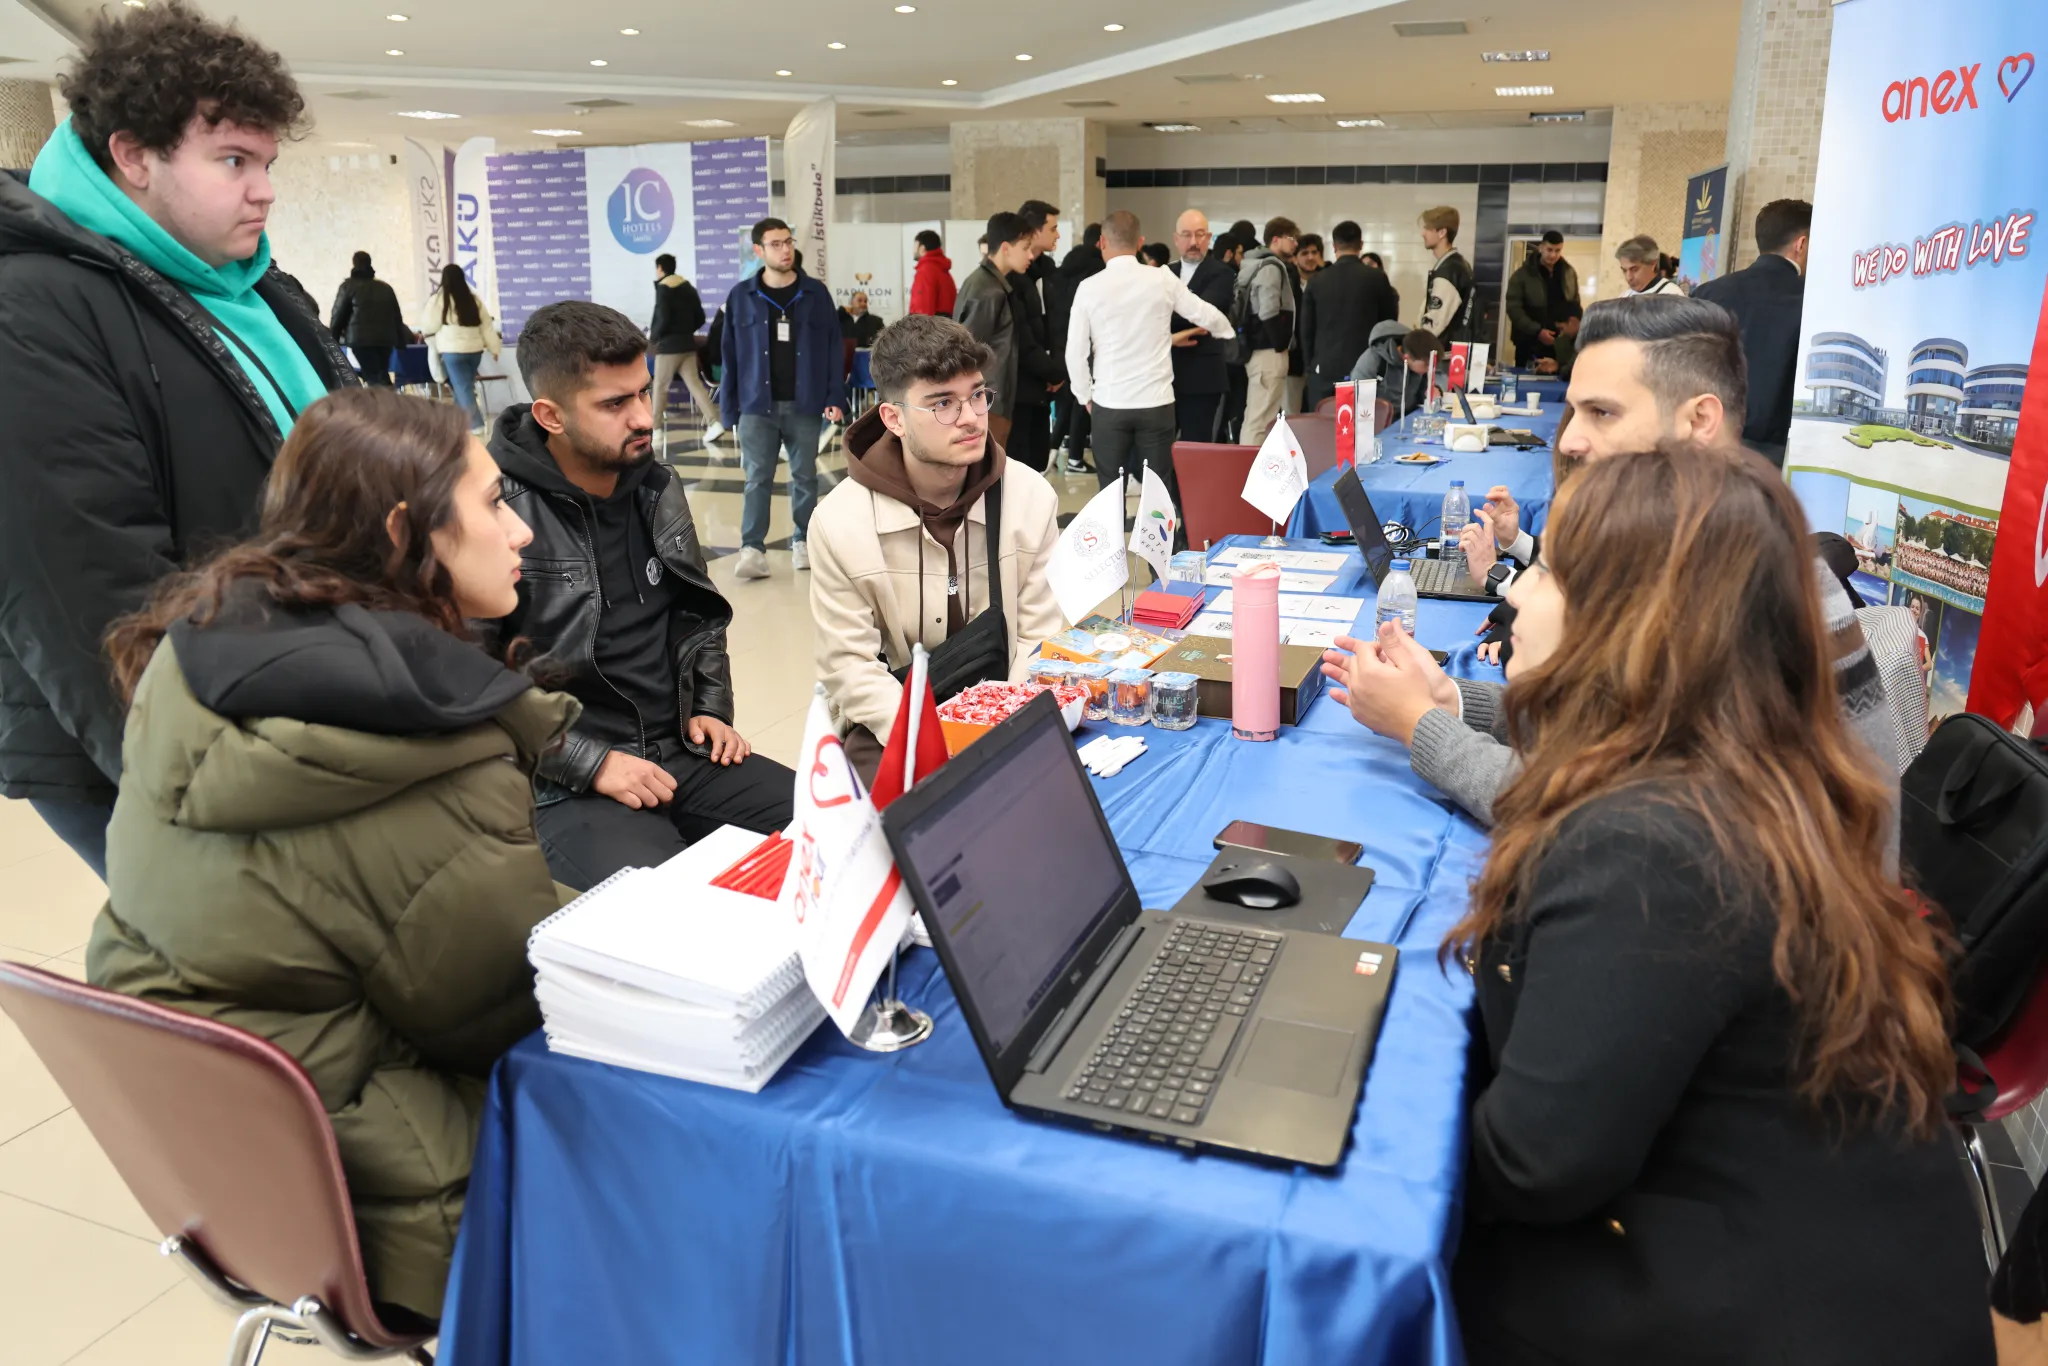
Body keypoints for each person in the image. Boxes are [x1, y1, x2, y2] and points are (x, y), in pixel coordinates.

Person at [1353, 441, 1990, 1363]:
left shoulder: (1648, 845)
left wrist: (1374, 1094)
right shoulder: (1741, 773)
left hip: (1738, 1312)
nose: (1519, 596)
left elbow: (1534, 1165)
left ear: (1637, 623)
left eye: (1553, 576)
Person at [89, 387, 572, 1320]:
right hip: (400, 1198)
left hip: (228, 1162)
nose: (521, 534)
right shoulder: (418, 746)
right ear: (405, 531)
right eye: (494, 504)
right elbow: (512, 1012)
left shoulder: (199, 654)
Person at [0, 0, 355, 878]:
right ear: (131, 155)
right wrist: (206, 795)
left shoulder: (260, 292)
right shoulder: (33, 309)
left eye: (266, 162)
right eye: (232, 159)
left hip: (295, 692)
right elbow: (85, 590)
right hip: (165, 743)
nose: (263, 188)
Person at [1341, 295, 1906, 824]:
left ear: (1699, 422)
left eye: (1602, 413)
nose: (1569, 441)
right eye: (1575, 412)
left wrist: (1420, 724)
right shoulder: (1693, 539)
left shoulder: (1741, 582)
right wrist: (1451, 697)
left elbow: (1584, 806)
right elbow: (1598, 729)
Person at [488, 301, 794, 888]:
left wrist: (709, 707)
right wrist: (589, 762)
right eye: (614, 403)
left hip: (680, 748)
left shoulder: (656, 483)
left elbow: (696, 612)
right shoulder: (495, 507)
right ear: (550, 415)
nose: (644, 417)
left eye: (642, 392)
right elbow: (468, 681)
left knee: (844, 833)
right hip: (567, 779)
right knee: (668, 917)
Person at [811, 316, 1064, 781]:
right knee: (893, 831)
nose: (969, 418)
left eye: (977, 396)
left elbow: (1039, 638)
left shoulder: (1029, 497)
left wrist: (1002, 726)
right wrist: (933, 738)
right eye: (942, 403)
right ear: (894, 419)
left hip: (1005, 707)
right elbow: (849, 666)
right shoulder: (840, 522)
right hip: (895, 717)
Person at [1065, 209, 1233, 512]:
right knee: (1159, 490)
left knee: (1109, 492)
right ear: (1140, 242)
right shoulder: (1162, 279)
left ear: (1102, 242)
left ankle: (1112, 556)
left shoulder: (1089, 287)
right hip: (1156, 404)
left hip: (1110, 403)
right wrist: (1227, 332)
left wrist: (1084, 396)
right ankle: (1161, 559)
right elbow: (1205, 313)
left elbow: (1074, 352)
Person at [719, 217, 847, 580]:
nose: (785, 249)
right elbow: (730, 356)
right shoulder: (741, 296)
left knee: (805, 476)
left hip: (805, 403)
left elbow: (833, 349)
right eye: (776, 244)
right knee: (757, 477)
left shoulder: (815, 293)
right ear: (758, 250)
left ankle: (803, 540)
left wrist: (835, 395)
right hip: (756, 404)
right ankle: (752, 549)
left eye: (788, 242)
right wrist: (728, 409)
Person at [1694, 199, 1811, 467]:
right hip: (1774, 455)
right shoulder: (1811, 297)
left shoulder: (1708, 292)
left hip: (1708, 442)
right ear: (1801, 244)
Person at [1301, 219, 1402, 411]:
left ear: (1334, 246)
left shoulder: (1317, 281)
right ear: (1361, 245)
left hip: (1325, 368)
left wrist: (1310, 366)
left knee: (1323, 424)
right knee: (1360, 426)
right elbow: (1389, 324)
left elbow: (1306, 329)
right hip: (1366, 367)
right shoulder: (1377, 278)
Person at [954, 210, 1033, 449]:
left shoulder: (986, 283)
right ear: (1006, 248)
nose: (1031, 255)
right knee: (986, 473)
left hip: (988, 400)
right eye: (1026, 247)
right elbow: (966, 353)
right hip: (987, 403)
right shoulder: (989, 292)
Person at [1007, 198, 1071, 474]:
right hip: (1018, 387)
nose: (1058, 234)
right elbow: (1020, 337)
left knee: (1036, 462)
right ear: (1034, 231)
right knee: (1019, 464)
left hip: (1042, 383)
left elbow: (1055, 324)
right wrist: (1052, 372)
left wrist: (1056, 370)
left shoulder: (1048, 271)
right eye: (1053, 228)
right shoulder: (1008, 279)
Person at [1167, 209, 1238, 445]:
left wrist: (1169, 323)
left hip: (1202, 376)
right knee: (1160, 447)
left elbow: (1205, 315)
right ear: (1176, 239)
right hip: (1164, 375)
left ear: (1209, 238)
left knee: (1196, 445)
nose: (1193, 242)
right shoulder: (1165, 273)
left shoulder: (1222, 274)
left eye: (1199, 235)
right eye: (1186, 235)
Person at [648, 251, 720, 450]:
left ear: (660, 268)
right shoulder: (688, 286)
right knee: (695, 385)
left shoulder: (664, 288)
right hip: (688, 345)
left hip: (669, 347)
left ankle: (656, 430)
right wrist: (686, 331)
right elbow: (700, 317)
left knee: (660, 386)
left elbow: (662, 317)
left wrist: (653, 339)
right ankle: (714, 422)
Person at [1237, 216, 1299, 445]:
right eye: (1291, 238)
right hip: (1268, 352)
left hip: (1258, 351)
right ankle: (1249, 475)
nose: (1295, 244)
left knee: (1259, 417)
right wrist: (1280, 343)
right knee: (1260, 421)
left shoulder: (1251, 263)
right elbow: (1268, 310)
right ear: (1276, 239)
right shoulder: (1271, 267)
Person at [1055, 221, 1108, 472]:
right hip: (1089, 339)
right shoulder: (1097, 268)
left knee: (1070, 398)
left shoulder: (1067, 263)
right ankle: (1075, 457)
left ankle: (1065, 446)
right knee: (1082, 401)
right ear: (1100, 242)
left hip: (1064, 336)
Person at [425, 262, 501, 432]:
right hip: (475, 351)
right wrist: (494, 348)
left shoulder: (439, 299)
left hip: (452, 351)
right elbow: (487, 326)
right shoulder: (473, 299)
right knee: (461, 385)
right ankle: (457, 423)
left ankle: (476, 425)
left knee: (463, 386)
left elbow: (429, 326)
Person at [329, 250, 409, 386]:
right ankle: (387, 399)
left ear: (354, 264)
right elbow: (397, 317)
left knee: (373, 376)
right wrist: (401, 340)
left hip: (360, 340)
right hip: (386, 340)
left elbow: (338, 315)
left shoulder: (348, 287)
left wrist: (332, 341)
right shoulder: (385, 288)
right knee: (380, 373)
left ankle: (381, 403)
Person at [1503, 231, 1581, 370]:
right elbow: (1514, 309)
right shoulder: (1522, 275)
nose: (1553, 255)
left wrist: (1571, 330)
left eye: (1557, 250)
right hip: (1529, 341)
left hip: (1560, 342)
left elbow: (1575, 305)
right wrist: (1537, 331)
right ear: (1541, 248)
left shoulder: (1569, 273)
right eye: (1549, 250)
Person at [1349, 325, 1440, 417]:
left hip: (1408, 417)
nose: (1430, 370)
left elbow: (1422, 392)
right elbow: (1357, 398)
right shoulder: (1373, 360)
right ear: (1407, 358)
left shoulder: (1419, 361)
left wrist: (1430, 392)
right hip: (1377, 421)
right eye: (1427, 365)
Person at [1418, 205, 1476, 347]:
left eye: (1427, 228)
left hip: (1443, 355)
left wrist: (1414, 346)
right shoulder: (1459, 265)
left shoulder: (1449, 271)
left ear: (1442, 232)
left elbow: (1434, 323)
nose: (1422, 233)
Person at [1617, 233, 1686, 296]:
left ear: (1653, 264)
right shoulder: (1625, 296)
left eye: (1634, 269)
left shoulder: (1672, 295)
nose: (1629, 277)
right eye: (1624, 270)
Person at [908, 229, 956, 317]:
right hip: (944, 325)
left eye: (915, 246)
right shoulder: (941, 268)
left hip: (929, 327)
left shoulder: (926, 270)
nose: (913, 250)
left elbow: (923, 309)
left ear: (922, 248)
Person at [1362, 250, 1400, 317]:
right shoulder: (1357, 291)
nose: (1367, 268)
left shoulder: (1390, 292)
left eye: (1370, 264)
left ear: (1379, 266)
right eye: (1363, 265)